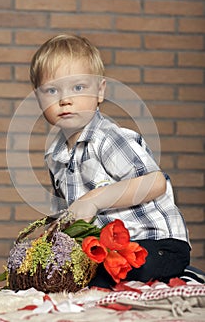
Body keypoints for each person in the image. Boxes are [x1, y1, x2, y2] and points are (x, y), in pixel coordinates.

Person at [30, 34, 190, 286]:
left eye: (78, 88)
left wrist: (94, 199)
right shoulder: (56, 156)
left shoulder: (109, 139)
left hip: (156, 242)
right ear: (39, 99)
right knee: (59, 275)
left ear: (100, 91)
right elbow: (72, 212)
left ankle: (186, 275)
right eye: (52, 90)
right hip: (109, 250)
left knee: (108, 275)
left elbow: (155, 182)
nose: (65, 99)